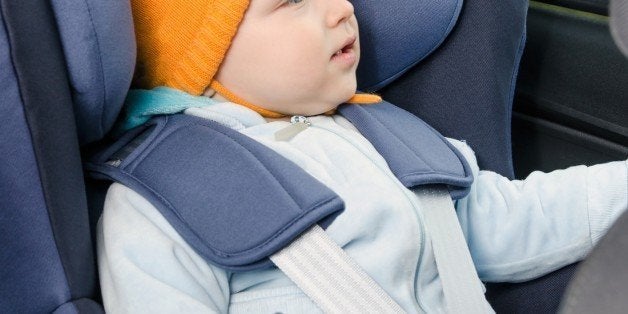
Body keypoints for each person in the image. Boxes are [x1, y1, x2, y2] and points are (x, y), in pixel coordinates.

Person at [97, 0, 628, 313]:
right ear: (202, 61)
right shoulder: (163, 200)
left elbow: (508, 222)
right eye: (291, 0)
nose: (341, 7)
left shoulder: (389, 136)